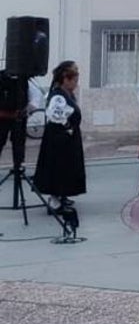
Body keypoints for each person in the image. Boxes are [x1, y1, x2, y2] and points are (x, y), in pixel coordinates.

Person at [33, 61, 86, 215]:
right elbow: (56, 116)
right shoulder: (57, 96)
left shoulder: (67, 94)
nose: (76, 84)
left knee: (67, 168)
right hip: (58, 138)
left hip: (66, 137)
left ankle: (62, 196)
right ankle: (54, 202)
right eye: (74, 80)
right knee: (58, 168)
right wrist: (68, 126)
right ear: (65, 79)